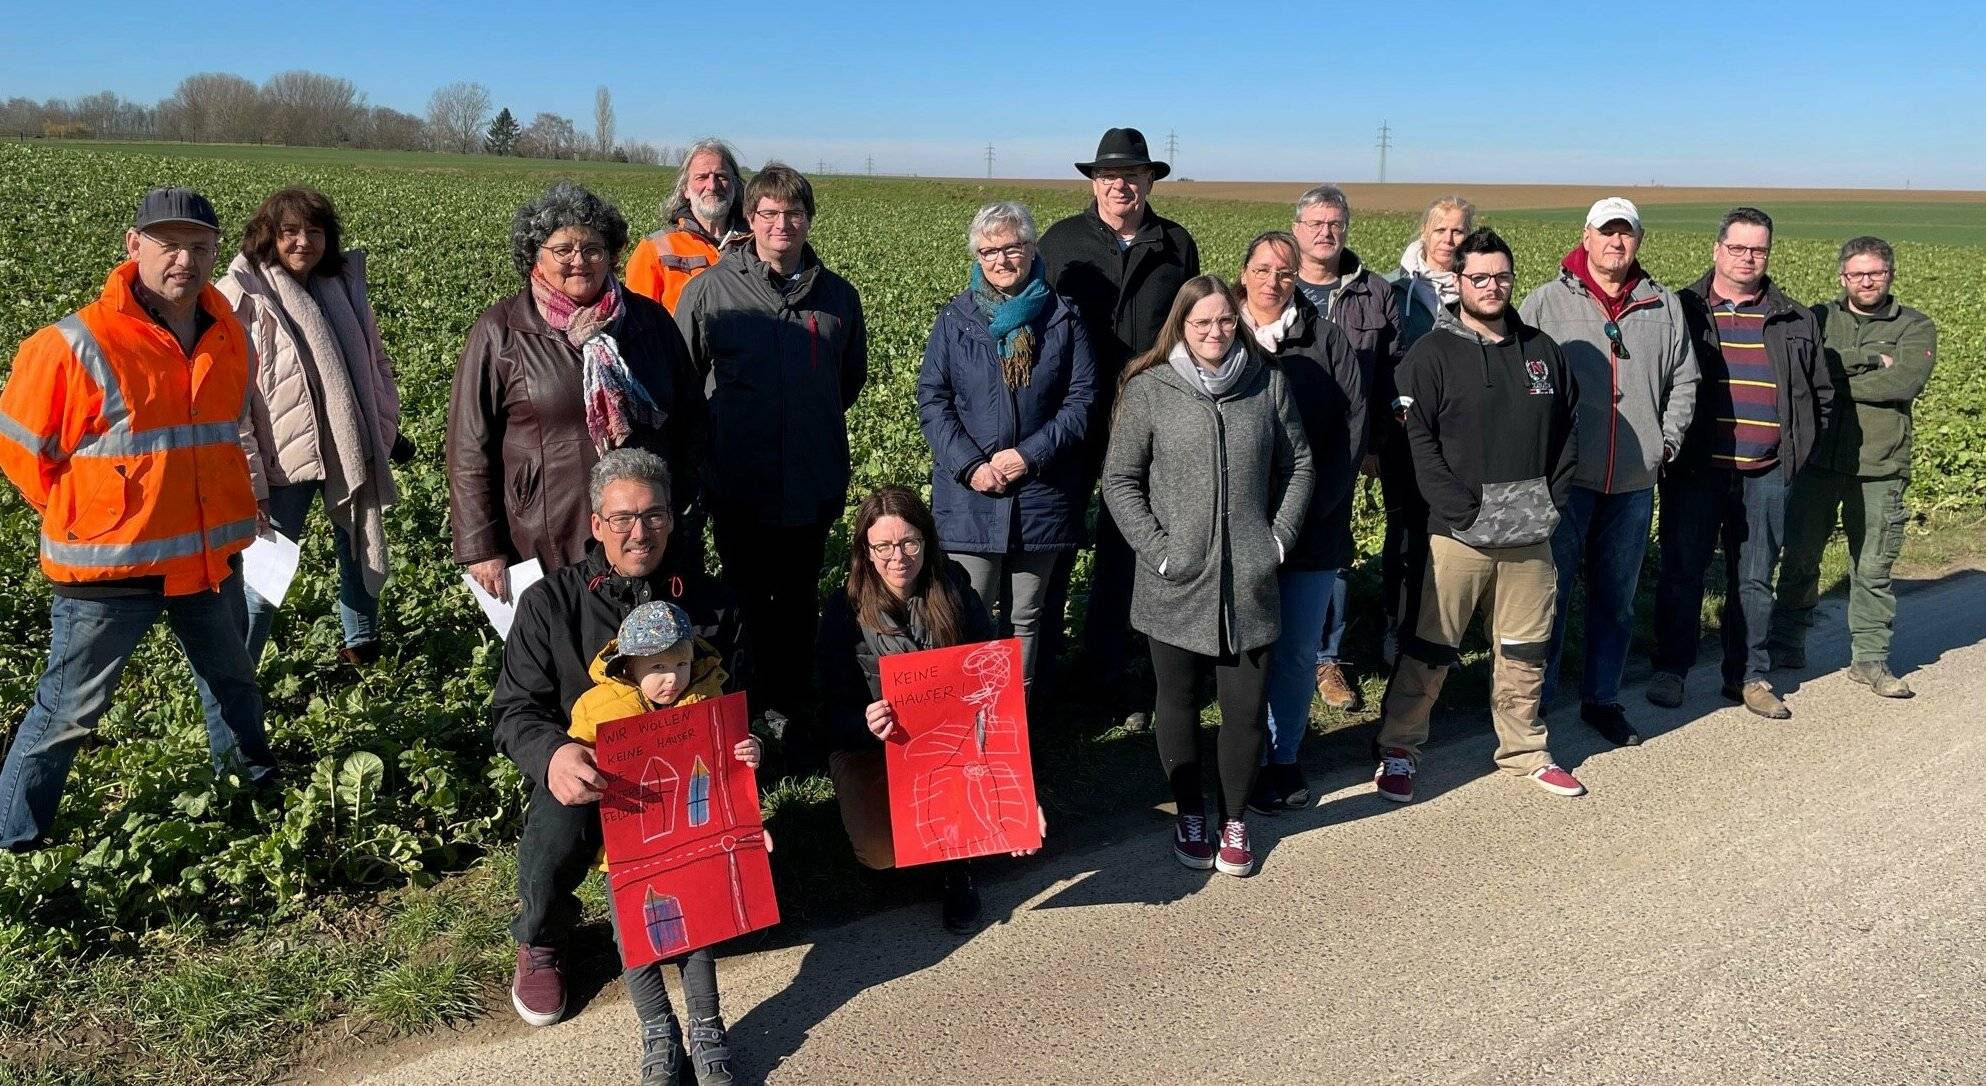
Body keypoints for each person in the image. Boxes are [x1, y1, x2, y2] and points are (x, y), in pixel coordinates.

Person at [0, 187, 276, 850]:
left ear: (216, 253)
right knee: (68, 711)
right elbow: (22, 452)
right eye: (168, 244)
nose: (184, 259)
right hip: (109, 569)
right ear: (134, 247)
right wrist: (90, 513)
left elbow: (225, 431)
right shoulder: (71, 344)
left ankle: (257, 805)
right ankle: (15, 843)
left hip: (206, 558)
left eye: (200, 246)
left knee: (233, 684)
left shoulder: (230, 334)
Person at [492, 449, 745, 1036]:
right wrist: (552, 754)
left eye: (654, 515)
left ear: (673, 520)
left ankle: (713, 904)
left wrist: (749, 739)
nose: (641, 532)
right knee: (562, 816)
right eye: (623, 518)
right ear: (596, 525)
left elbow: (752, 696)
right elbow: (513, 710)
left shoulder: (712, 602)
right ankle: (541, 937)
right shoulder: (550, 603)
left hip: (687, 781)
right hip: (595, 777)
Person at [1101, 275, 1313, 877]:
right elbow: (1119, 481)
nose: (1215, 333)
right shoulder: (1150, 390)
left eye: (1224, 322)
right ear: (1181, 327)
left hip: (1249, 580)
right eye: (1202, 324)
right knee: (1179, 701)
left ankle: (1236, 819)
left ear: (1237, 322)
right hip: (1175, 580)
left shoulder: (1266, 382)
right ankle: (1190, 812)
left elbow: (1299, 464)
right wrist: (1158, 550)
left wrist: (1276, 541)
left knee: (1244, 709)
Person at [1372, 228, 1584, 804]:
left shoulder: (1542, 352)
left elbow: (1569, 435)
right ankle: (1399, 747)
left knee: (1524, 648)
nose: (1492, 287)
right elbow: (1417, 441)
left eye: (1502, 276)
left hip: (1530, 534)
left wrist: (1551, 501)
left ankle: (1525, 750)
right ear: (1459, 283)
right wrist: (1459, 507)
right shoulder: (1432, 356)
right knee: (1432, 646)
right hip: (1458, 534)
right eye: (1480, 277)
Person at [676, 163, 867, 753]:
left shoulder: (837, 296)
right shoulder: (710, 290)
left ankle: (793, 703)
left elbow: (848, 381)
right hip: (739, 483)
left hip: (811, 480)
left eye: (793, 214)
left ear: (808, 221)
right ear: (750, 219)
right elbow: (685, 382)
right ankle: (749, 713)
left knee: (800, 598)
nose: (781, 224)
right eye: (768, 213)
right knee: (744, 601)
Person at [449, 182, 706, 604]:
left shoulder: (650, 322)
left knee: (646, 652)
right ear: (536, 255)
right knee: (557, 649)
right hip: (543, 531)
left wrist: (682, 505)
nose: (579, 261)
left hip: (641, 530)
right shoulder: (502, 330)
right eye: (562, 250)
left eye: (593, 249)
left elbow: (691, 421)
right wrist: (481, 547)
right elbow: (468, 447)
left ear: (611, 254)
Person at [816, 486, 1042, 931]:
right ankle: (918, 845)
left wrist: (1018, 794)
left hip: (954, 741)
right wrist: (864, 722)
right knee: (880, 854)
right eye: (882, 545)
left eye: (909, 542)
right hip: (874, 746)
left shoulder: (953, 585)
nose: (897, 556)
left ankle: (956, 867)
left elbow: (994, 679)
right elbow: (825, 713)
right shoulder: (843, 610)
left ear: (926, 540)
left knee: (983, 824)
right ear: (865, 549)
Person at [1518, 198, 1699, 746]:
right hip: (1567, 482)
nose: (1617, 244)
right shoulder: (1546, 303)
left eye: (1627, 234)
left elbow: (1684, 380)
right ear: (1587, 237)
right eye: (1607, 233)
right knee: (1550, 596)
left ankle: (1602, 698)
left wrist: (1665, 444)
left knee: (1616, 599)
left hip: (1633, 483)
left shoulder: (1661, 304)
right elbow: (1523, 380)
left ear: (1638, 241)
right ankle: (1535, 705)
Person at [1039, 127, 1200, 728]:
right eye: (1109, 176)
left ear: (1150, 180)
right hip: (1070, 417)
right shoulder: (1061, 244)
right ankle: (1044, 676)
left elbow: (1187, 336)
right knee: (1052, 542)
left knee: (1124, 546)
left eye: (1131, 175)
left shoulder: (1175, 245)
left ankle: (1109, 667)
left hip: (1145, 421)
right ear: (1094, 183)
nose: (1120, 185)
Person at [1650, 208, 1832, 719]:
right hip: (1696, 469)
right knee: (1683, 570)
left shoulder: (1795, 317)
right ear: (1717, 249)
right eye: (1738, 248)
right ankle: (1671, 669)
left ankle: (1748, 676)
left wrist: (1797, 452)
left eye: (1759, 249)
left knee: (1753, 578)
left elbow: (1820, 395)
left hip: (1767, 470)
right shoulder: (1682, 309)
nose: (1748, 258)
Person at [567, 600, 757, 1084]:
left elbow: (730, 767)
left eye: (680, 663)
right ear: (628, 666)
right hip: (627, 855)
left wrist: (749, 750)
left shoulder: (709, 696)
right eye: (655, 667)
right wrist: (582, 763)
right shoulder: (598, 708)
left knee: (699, 937)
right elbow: (577, 756)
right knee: (637, 945)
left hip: (694, 844)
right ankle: (659, 1033)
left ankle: (708, 1030)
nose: (671, 677)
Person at [219, 186, 408, 668]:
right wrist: (251, 477)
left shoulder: (341, 286)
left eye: (315, 232)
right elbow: (232, 398)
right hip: (282, 456)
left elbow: (375, 357)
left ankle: (360, 646)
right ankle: (239, 672)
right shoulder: (243, 294)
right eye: (290, 232)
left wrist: (382, 414)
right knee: (266, 571)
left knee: (357, 544)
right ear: (268, 236)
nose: (303, 242)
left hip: (346, 442)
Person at [917, 201, 1096, 691]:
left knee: (1026, 617)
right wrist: (970, 466)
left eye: (1011, 247)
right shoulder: (956, 318)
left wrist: (1029, 455)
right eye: (989, 250)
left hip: (1040, 493)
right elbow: (933, 399)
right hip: (970, 496)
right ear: (977, 256)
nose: (1000, 259)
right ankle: (966, 726)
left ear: (1031, 249)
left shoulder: (1062, 319)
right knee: (967, 614)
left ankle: (1016, 733)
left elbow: (1081, 400)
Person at [1769, 236, 1935, 699]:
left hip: (1881, 467)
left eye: (1876, 272)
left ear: (1890, 275)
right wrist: (1865, 361)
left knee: (1873, 567)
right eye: (1857, 273)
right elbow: (1804, 370)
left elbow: (1903, 382)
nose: (1866, 280)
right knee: (1800, 559)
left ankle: (1870, 659)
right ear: (1842, 277)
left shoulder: (1915, 327)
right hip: (1818, 462)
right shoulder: (1818, 319)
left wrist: (1833, 379)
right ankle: (1786, 644)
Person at [1233, 232, 1364, 812]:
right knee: (1240, 650)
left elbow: (1352, 430)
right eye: (1262, 269)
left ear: (1298, 280)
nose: (1272, 281)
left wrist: (1315, 507)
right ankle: (1237, 757)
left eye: (1284, 273)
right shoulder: (1217, 334)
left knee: (1294, 651)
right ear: (1243, 275)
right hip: (1234, 529)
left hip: (1313, 526)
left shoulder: (1327, 341)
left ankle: (1283, 759)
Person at [1289, 184, 1400, 711]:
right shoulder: (1273, 285)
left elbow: (1391, 378)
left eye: (1334, 223)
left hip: (1345, 446)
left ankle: (1324, 660)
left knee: (1333, 555)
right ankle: (1270, 650)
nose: (1325, 232)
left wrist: (1374, 444)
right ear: (1297, 230)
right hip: (1279, 446)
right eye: (1315, 223)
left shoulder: (1375, 293)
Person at [1376, 196, 1476, 661]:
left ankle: (1439, 633)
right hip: (1404, 434)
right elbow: (1384, 364)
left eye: (1458, 231)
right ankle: (1395, 626)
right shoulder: (1396, 292)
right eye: (1441, 230)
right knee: (1403, 534)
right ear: (1424, 232)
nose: (1449, 240)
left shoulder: (1477, 290)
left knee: (1449, 534)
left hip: (1458, 434)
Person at [624, 138, 748, 314]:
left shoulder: (757, 243)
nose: (712, 186)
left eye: (721, 176)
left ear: (735, 185)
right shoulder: (652, 250)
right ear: (685, 189)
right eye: (702, 177)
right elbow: (639, 326)